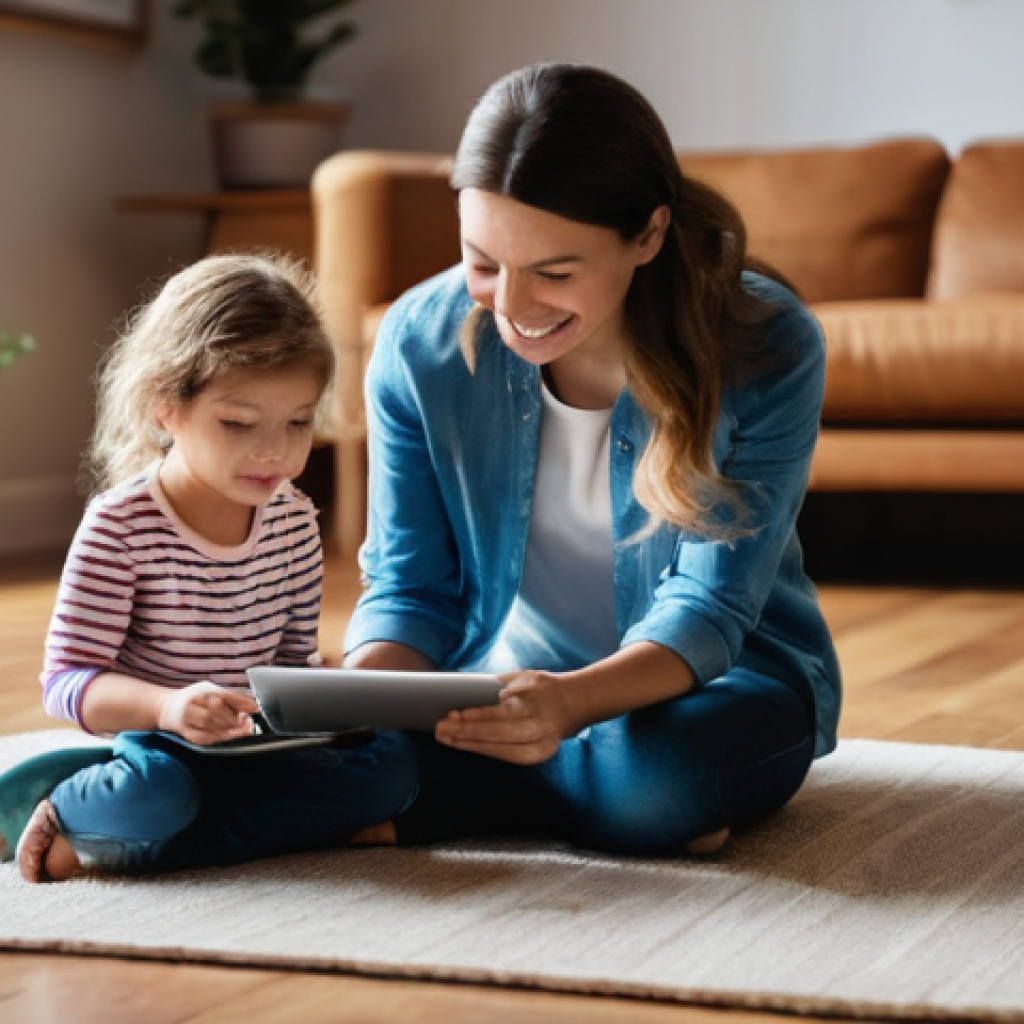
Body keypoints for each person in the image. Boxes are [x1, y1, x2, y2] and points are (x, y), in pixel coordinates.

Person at [342, 62, 842, 857]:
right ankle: (584, 803)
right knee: (346, 750)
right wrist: (362, 703)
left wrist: (569, 708)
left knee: (664, 772)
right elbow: (411, 588)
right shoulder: (418, 344)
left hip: (717, 686)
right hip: (501, 690)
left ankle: (457, 798)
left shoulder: (766, 345)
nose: (511, 307)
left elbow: (708, 614)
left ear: (647, 234)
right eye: (483, 263)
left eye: (555, 272)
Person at [0, 253, 417, 882]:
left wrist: (333, 699)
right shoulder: (123, 526)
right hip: (162, 749)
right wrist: (169, 708)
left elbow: (293, 667)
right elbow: (66, 682)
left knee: (395, 767)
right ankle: (68, 802)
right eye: (238, 423)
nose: (274, 449)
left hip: (258, 748)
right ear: (166, 406)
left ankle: (161, 844)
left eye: (299, 422)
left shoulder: (295, 521)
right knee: (159, 796)